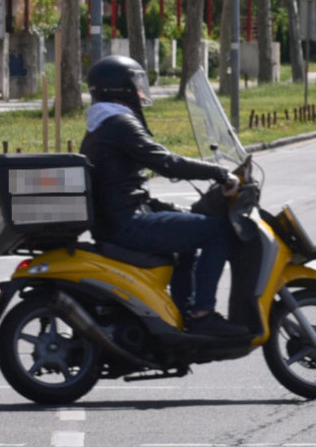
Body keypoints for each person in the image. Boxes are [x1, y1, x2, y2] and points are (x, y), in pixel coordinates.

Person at [79, 55, 250, 337]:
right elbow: (166, 162)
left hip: (118, 218)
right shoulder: (120, 123)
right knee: (216, 232)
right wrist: (219, 173)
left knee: (187, 237)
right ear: (120, 88)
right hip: (127, 224)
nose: (142, 91)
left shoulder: (103, 122)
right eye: (136, 84)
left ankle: (184, 314)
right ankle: (203, 314)